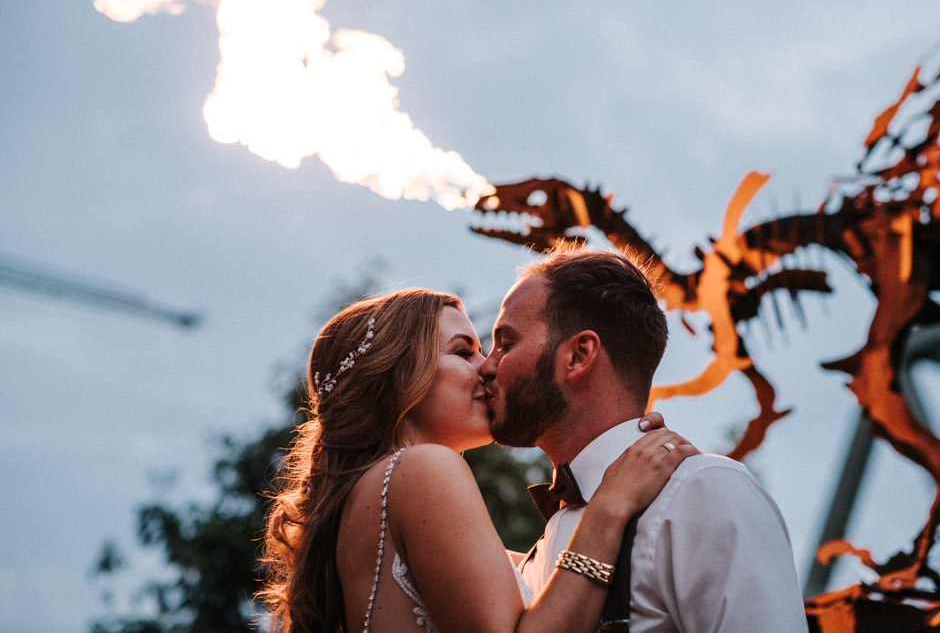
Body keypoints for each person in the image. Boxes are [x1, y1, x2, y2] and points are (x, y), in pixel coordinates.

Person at [258, 288, 698, 632]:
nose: (488, 367)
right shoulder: (421, 469)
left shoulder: (372, 495)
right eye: (463, 351)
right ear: (398, 374)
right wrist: (611, 504)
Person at [480, 246, 809, 632]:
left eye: (505, 343)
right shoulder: (547, 541)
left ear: (578, 355)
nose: (487, 366)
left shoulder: (703, 491)